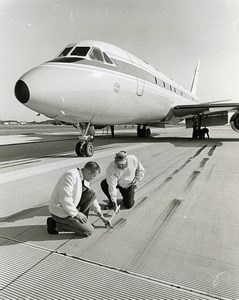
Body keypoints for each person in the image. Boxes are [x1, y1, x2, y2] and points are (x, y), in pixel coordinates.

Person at [47, 161, 111, 236]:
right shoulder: (70, 176)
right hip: (61, 211)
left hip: (71, 208)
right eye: (94, 176)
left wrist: (102, 217)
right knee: (89, 231)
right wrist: (76, 214)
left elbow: (93, 200)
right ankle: (56, 225)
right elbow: (65, 199)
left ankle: (81, 223)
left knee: (92, 193)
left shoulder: (84, 179)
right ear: (88, 172)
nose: (94, 178)